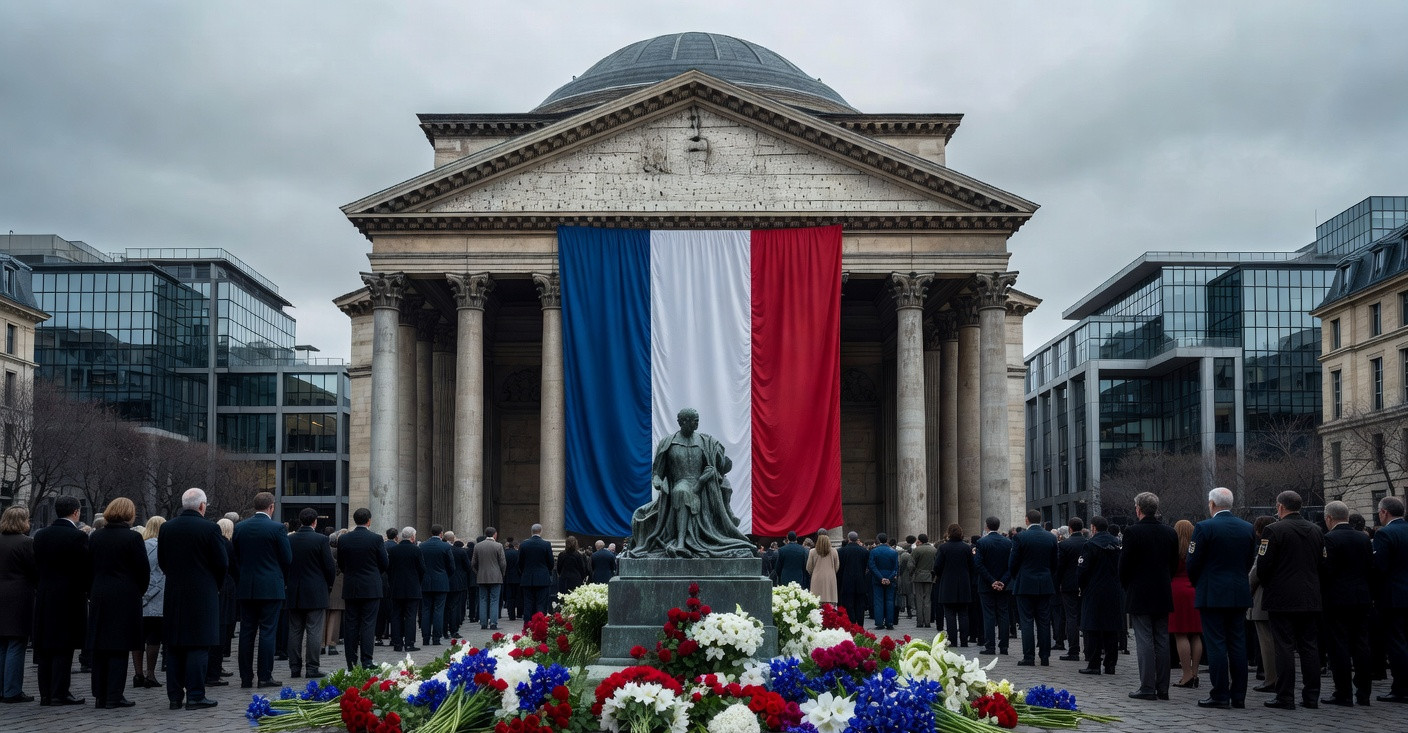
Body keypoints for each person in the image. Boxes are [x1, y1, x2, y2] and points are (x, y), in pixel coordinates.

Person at [623, 408, 756, 558]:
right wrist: (659, 483)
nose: (698, 423)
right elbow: (657, 474)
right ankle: (680, 543)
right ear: (684, 422)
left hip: (704, 486)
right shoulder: (668, 443)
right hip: (679, 483)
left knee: (723, 485)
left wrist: (714, 467)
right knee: (681, 491)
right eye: (695, 420)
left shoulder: (705, 441)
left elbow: (720, 465)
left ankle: (721, 524)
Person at [159, 487, 228, 711]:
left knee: (175, 646)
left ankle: (174, 696)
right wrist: (213, 585)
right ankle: (196, 695)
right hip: (202, 594)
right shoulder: (210, 529)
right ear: (201, 506)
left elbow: (163, 561)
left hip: (174, 593)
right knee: (198, 645)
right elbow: (222, 563)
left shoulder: (167, 528)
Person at [1187, 486, 1255, 710]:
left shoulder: (1204, 527)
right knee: (1237, 644)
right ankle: (1239, 696)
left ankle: (1220, 694)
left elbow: (1193, 563)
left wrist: (1201, 583)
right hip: (1238, 592)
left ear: (1212, 504)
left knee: (1216, 644)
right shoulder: (1247, 528)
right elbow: (1248, 561)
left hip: (1212, 593)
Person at [1256, 490, 1324, 710]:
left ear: (1280, 507)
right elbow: (1321, 563)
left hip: (1282, 597)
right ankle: (1311, 696)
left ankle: (1285, 695)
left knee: (1283, 646)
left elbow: (1263, 566)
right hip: (1310, 596)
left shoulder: (1273, 530)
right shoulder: (1316, 530)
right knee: (1309, 647)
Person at [86, 497, 150, 709]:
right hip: (125, 595)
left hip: (99, 593)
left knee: (100, 646)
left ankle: (99, 694)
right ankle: (114, 694)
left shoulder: (95, 537)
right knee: (119, 647)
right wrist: (136, 591)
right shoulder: (132, 539)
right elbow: (143, 571)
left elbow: (88, 567)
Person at [1119, 491, 1179, 701]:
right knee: (1162, 638)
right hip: (1162, 590)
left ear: (1139, 509)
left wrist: (1127, 585)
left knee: (1144, 639)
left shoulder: (1132, 532)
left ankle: (1147, 686)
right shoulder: (1170, 532)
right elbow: (1173, 564)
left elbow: (1124, 565)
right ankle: (1163, 687)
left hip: (1140, 591)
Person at [33, 494, 91, 706]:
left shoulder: (40, 536)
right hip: (69, 597)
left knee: (46, 646)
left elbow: (36, 566)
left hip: (46, 596)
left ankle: (45, 693)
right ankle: (60, 691)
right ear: (76, 512)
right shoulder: (78, 537)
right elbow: (84, 570)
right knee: (63, 647)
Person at [232, 492, 292, 689]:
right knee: (267, 632)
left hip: (247, 587)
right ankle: (265, 676)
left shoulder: (240, 527)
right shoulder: (277, 529)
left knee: (247, 632)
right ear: (271, 507)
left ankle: (246, 678)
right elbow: (287, 558)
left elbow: (235, 558)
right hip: (270, 587)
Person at [1320, 500, 1372, 707]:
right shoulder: (1363, 538)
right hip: (1361, 598)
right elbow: (1370, 568)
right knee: (1362, 644)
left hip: (1337, 599)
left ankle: (1343, 691)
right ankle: (1364, 692)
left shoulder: (1329, 539)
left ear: (1329, 518)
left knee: (1339, 645)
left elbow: (1326, 570)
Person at [285, 508, 335, 679]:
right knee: (314, 631)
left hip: (294, 590)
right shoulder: (321, 540)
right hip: (315, 590)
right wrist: (328, 585)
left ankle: (294, 667)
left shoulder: (290, 539)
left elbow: (285, 564)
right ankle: (312, 668)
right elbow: (329, 567)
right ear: (315, 522)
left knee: (295, 630)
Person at [338, 509, 388, 669]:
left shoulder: (344, 539)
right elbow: (384, 563)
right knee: (368, 624)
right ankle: (367, 660)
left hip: (351, 585)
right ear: (369, 521)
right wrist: (374, 574)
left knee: (351, 624)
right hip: (371, 586)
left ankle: (351, 662)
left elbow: (341, 563)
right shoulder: (376, 538)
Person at [1008, 509, 1057, 666]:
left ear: (1026, 520)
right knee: (1044, 621)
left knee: (1026, 621)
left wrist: (1017, 576)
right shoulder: (1050, 537)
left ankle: (1029, 656)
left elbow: (1013, 562)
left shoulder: (1020, 537)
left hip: (1025, 583)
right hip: (1044, 583)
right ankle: (1045, 656)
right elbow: (1055, 562)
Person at [1077, 516, 1123, 675]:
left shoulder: (1090, 544)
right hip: (1113, 590)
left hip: (1094, 589)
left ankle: (1094, 663)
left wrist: (1082, 586)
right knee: (1111, 627)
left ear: (1094, 528)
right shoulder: (1117, 543)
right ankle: (1110, 664)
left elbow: (1082, 570)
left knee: (1093, 626)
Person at [0, 506, 37, 703]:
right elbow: (34, 570)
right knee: (16, 642)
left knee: (2, 644)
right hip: (19, 596)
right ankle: (12, 690)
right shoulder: (26, 543)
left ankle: (2, 688)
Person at [1373, 495, 1408, 703]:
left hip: (1393, 597)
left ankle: (1401, 687)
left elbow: (1379, 568)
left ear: (1384, 512)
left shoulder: (1385, 534)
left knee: (1397, 644)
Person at [1169, 519, 1203, 688]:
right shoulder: (1197, 548)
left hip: (1176, 590)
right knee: (1196, 634)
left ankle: (1186, 674)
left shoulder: (1173, 549)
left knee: (1180, 633)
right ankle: (1195, 673)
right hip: (1195, 589)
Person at [974, 517, 1013, 655]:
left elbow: (978, 564)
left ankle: (990, 646)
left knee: (989, 615)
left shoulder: (982, 542)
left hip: (986, 585)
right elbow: (1011, 565)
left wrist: (992, 581)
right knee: (1003, 614)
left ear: (987, 526)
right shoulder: (1008, 542)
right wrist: (1002, 581)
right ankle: (1004, 647)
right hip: (1004, 585)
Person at [1247, 516, 1277, 693]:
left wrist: (1246, 590)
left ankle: (1270, 678)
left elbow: (1256, 572)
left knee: (1266, 641)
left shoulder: (1266, 544)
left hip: (1264, 597)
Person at [387, 527, 424, 652]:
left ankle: (397, 643)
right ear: (413, 537)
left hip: (396, 587)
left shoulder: (393, 550)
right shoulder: (416, 550)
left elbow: (389, 568)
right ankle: (409, 643)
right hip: (412, 588)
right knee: (410, 616)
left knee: (396, 615)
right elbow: (422, 569)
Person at [934, 524, 973, 645]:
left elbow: (937, 566)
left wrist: (941, 575)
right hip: (964, 583)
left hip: (947, 584)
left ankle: (952, 640)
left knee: (949, 615)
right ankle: (964, 641)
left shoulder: (943, 548)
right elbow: (972, 565)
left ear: (949, 533)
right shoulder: (966, 548)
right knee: (963, 614)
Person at [1055, 518, 1086, 661]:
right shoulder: (1088, 543)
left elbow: (1059, 567)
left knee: (1071, 617)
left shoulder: (1065, 545)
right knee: (1085, 616)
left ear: (1070, 529)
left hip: (1068, 585)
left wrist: (1057, 583)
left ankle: (1074, 650)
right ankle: (1089, 649)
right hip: (1085, 585)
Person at [212, 517, 238, 684]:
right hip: (226, 588)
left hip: (218, 587)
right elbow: (234, 567)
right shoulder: (227, 544)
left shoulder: (216, 543)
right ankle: (215, 667)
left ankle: (216, 666)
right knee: (223, 628)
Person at [417, 524, 452, 647]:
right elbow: (451, 567)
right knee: (439, 611)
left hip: (426, 582)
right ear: (441, 533)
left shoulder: (422, 546)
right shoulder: (445, 546)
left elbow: (419, 565)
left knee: (426, 611)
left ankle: (425, 638)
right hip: (441, 582)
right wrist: (445, 575)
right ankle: (436, 638)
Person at [471, 527, 506, 630]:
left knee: (483, 599)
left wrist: (478, 572)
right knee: (494, 600)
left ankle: (483, 623)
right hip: (495, 576)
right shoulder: (498, 546)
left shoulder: (478, 546)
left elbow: (473, 563)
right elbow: (503, 563)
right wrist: (501, 574)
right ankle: (493, 623)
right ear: (495, 534)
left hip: (482, 576)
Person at [518, 524, 554, 621]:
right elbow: (551, 562)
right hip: (542, 578)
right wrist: (546, 571)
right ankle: (539, 626)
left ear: (531, 531)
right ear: (541, 531)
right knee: (541, 604)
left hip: (527, 578)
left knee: (528, 604)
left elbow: (520, 562)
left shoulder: (524, 544)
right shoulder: (546, 544)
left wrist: (524, 572)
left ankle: (527, 627)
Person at [837, 532, 869, 626]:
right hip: (860, 581)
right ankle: (860, 624)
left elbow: (840, 569)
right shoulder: (864, 551)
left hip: (846, 582)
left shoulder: (841, 551)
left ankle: (851, 622)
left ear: (848, 539)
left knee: (848, 604)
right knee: (860, 604)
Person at [867, 533, 898, 630]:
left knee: (878, 601)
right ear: (887, 540)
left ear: (878, 540)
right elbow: (896, 568)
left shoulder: (874, 551)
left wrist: (881, 578)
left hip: (877, 579)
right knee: (889, 601)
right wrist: (889, 578)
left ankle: (879, 623)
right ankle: (890, 623)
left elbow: (872, 566)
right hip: (890, 579)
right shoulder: (893, 552)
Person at [323, 529, 346, 658]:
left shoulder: (325, 550)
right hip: (337, 583)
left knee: (323, 616)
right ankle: (331, 643)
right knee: (335, 615)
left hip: (325, 585)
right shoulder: (340, 552)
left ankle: (321, 644)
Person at [444, 532, 468, 638]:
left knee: (444, 607)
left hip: (444, 581)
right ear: (453, 539)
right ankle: (453, 629)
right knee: (454, 607)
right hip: (457, 581)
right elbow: (467, 566)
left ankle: (443, 630)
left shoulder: (443, 549)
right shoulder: (460, 551)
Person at [910, 533, 937, 628]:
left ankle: (920, 621)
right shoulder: (934, 550)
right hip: (930, 576)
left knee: (919, 598)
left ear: (919, 540)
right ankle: (927, 622)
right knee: (928, 600)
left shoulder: (917, 550)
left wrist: (911, 574)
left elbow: (911, 565)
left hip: (918, 576)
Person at [805, 532, 840, 604]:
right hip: (830, 578)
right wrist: (832, 572)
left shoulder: (812, 552)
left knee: (817, 602)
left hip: (816, 578)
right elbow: (837, 566)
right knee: (830, 602)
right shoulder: (834, 551)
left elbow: (809, 567)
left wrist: (814, 572)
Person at [503, 540, 522, 621]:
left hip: (508, 578)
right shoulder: (518, 553)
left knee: (510, 597)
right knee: (519, 596)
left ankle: (511, 615)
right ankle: (519, 614)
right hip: (518, 577)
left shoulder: (504, 553)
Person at [896, 539, 914, 619]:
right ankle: (908, 611)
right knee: (908, 594)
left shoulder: (903, 555)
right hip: (907, 577)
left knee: (904, 594)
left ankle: (903, 608)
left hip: (903, 577)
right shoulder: (907, 555)